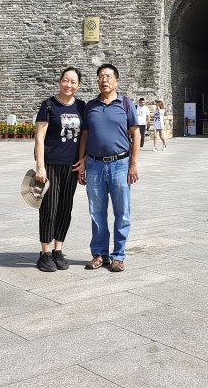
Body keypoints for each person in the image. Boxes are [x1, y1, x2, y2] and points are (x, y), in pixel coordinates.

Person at [78, 63, 138, 273]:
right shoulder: (90, 106)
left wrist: (133, 164)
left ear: (117, 81)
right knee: (96, 212)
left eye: (108, 76)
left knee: (122, 212)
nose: (104, 80)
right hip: (94, 164)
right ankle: (100, 254)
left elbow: (136, 134)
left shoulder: (126, 104)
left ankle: (118, 256)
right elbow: (85, 135)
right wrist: (82, 160)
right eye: (101, 76)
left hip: (120, 164)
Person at [33, 67, 86, 272]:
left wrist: (83, 160)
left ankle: (58, 249)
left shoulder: (81, 106)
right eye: (65, 80)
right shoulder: (48, 105)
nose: (68, 85)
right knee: (49, 207)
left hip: (71, 165)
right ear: (60, 81)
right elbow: (39, 137)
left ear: (78, 85)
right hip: (51, 164)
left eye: (73, 82)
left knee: (65, 208)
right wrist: (40, 166)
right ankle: (45, 252)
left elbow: (85, 136)